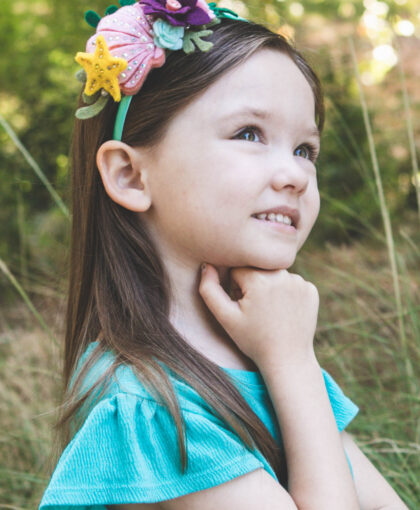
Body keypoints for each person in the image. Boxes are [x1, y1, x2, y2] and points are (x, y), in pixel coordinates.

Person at [38, 1, 408, 509]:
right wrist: (294, 363)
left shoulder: (268, 353)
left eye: (305, 149)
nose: (296, 174)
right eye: (249, 134)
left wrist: (289, 362)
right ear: (130, 175)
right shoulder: (145, 405)